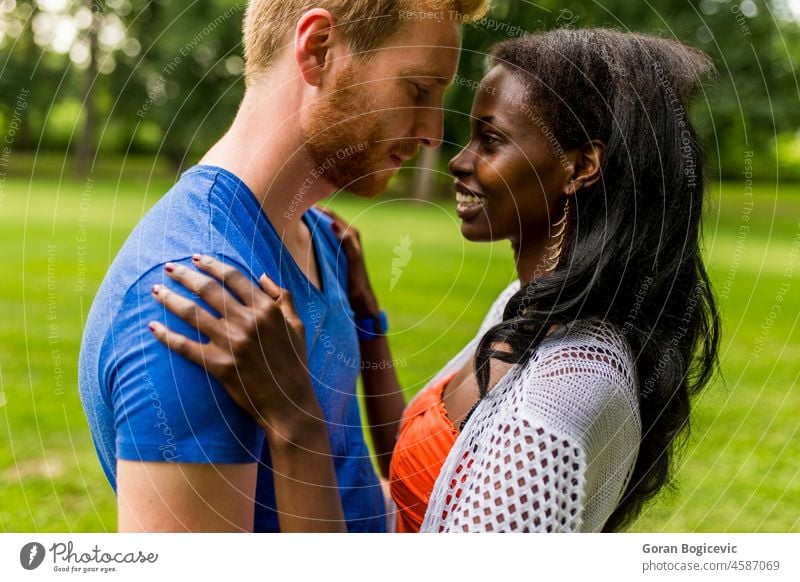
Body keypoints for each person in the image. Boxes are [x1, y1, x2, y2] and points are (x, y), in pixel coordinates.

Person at [149, 28, 721, 532]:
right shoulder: (525, 309)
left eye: (490, 140)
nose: (457, 159)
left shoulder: (560, 403)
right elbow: (426, 465)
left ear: (579, 166)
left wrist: (295, 419)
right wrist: (367, 318)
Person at [78, 0, 491, 533]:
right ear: (318, 50)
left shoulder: (316, 237)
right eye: (417, 89)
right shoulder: (199, 300)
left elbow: (348, 477)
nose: (435, 131)